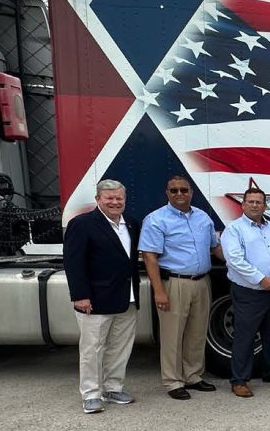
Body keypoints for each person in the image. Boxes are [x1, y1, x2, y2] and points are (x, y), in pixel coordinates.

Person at [139, 175, 223, 400]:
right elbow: (149, 257)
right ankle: (173, 380)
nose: (179, 194)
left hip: (201, 282)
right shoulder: (156, 219)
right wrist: (159, 290)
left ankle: (193, 375)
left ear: (191, 192)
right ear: (167, 193)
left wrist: (244, 266)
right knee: (172, 335)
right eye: (174, 190)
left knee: (197, 332)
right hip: (174, 283)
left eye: (183, 190)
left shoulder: (203, 218)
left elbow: (216, 249)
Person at [64, 179, 141, 414]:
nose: (115, 202)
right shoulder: (83, 224)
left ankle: (113, 388)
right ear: (98, 199)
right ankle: (91, 394)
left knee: (120, 347)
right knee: (92, 349)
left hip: (126, 297)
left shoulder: (131, 224)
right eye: (109, 198)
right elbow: (73, 262)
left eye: (119, 198)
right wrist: (80, 295)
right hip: (95, 300)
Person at [221, 187, 270, 398]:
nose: (254, 205)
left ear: (265, 205)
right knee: (245, 337)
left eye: (258, 202)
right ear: (242, 205)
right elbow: (235, 260)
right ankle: (239, 380)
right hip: (249, 292)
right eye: (250, 201)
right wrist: (261, 279)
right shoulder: (234, 229)